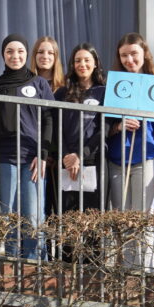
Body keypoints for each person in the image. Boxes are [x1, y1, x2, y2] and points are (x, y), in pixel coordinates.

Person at [0, 33, 54, 259]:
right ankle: (12, 265)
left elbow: (50, 119)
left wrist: (43, 154)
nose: (15, 56)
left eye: (20, 51)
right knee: (9, 216)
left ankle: (35, 266)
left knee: (33, 216)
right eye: (10, 52)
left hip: (32, 158)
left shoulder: (39, 83)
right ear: (3, 55)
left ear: (26, 54)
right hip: (4, 158)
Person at [107, 33, 154, 213]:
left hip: (145, 159)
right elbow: (104, 126)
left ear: (144, 54)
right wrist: (119, 126)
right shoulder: (113, 85)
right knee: (121, 219)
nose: (129, 60)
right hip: (116, 160)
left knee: (143, 218)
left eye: (134, 53)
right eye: (124, 55)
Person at [52, 43, 107, 214]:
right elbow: (56, 128)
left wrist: (81, 155)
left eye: (87, 60)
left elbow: (104, 129)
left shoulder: (104, 92)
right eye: (78, 61)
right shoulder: (62, 94)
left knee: (92, 217)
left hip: (94, 160)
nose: (82, 64)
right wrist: (67, 156)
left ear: (95, 63)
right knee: (67, 217)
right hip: (66, 162)